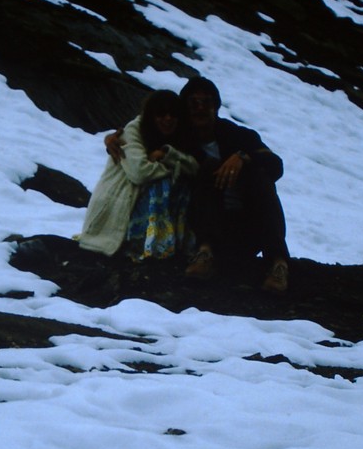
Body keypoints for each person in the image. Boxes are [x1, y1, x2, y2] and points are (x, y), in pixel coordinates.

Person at [106, 77, 290, 291]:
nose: (200, 108)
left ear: (216, 107)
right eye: (193, 103)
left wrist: (243, 157)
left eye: (206, 102)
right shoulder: (178, 138)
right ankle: (205, 253)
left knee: (260, 175)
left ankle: (278, 263)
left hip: (248, 226)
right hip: (208, 227)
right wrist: (114, 138)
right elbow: (144, 126)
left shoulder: (238, 135)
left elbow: (275, 165)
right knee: (208, 167)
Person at [78, 90, 198, 260]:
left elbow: (194, 167)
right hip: (120, 202)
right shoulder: (133, 131)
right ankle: (147, 245)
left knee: (183, 184)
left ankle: (167, 243)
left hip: (140, 200)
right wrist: (173, 168)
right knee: (162, 183)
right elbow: (139, 172)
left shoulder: (180, 135)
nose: (168, 119)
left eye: (173, 114)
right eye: (161, 114)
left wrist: (166, 154)